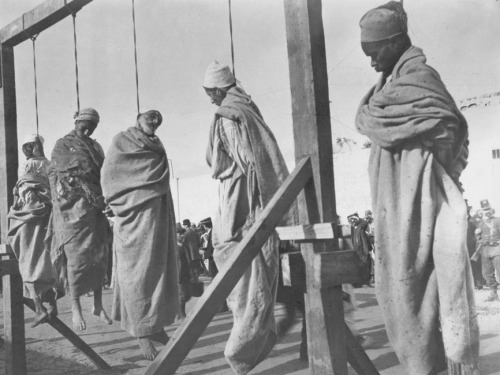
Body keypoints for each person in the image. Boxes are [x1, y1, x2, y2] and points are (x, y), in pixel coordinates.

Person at [355, 2, 479, 373]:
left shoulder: (420, 79)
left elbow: (450, 128)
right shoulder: (391, 84)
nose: (372, 61)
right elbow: (375, 118)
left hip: (422, 203)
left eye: (374, 51)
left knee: (425, 292)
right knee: (401, 293)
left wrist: (424, 167)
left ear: (395, 43)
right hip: (396, 209)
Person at [204, 61, 290, 374]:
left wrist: (250, 206)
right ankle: (252, 338)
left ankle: (243, 348)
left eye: (210, 93)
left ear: (215, 89)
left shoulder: (229, 114)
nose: (210, 99)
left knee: (234, 256)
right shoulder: (246, 107)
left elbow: (247, 160)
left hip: (239, 198)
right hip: (241, 195)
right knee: (236, 264)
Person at [101, 110, 179, 360]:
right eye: (150, 119)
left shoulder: (156, 144)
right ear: (137, 118)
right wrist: (119, 204)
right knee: (137, 272)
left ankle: (154, 327)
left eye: (158, 121)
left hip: (156, 214)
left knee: (157, 270)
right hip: (132, 216)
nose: (154, 123)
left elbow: (161, 180)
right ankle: (142, 334)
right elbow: (109, 176)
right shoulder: (121, 141)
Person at [49, 108, 112, 332]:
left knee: (99, 257)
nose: (88, 130)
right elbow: (56, 175)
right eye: (84, 125)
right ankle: (75, 307)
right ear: (76, 122)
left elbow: (104, 173)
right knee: (75, 260)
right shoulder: (62, 145)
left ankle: (97, 305)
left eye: (92, 127)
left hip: (95, 209)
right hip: (71, 211)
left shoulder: (96, 147)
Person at [7, 134, 61, 327]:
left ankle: (39, 308)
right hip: (46, 216)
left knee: (27, 260)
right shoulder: (48, 164)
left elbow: (23, 193)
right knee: (45, 261)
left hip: (31, 220)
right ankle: (50, 304)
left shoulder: (28, 167)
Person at [476, 199, 500, 301]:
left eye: (488, 209)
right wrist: (478, 236)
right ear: (481, 211)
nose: (487, 211)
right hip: (485, 249)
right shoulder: (480, 223)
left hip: (496, 248)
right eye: (484, 209)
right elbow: (478, 238)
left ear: (492, 209)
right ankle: (493, 294)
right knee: (487, 273)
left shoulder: (498, 220)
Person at [347, 213, 373, 287]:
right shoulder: (353, 228)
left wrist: (366, 250)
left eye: (352, 221)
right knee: (359, 266)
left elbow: (364, 224)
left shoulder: (361, 226)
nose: (350, 222)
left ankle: (365, 281)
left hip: (362, 249)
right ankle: (360, 282)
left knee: (365, 264)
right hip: (356, 250)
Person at [175, 225, 193, 323]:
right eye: (179, 233)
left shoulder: (184, 245)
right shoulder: (175, 247)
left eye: (182, 233)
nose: (182, 235)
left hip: (186, 273)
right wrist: (177, 277)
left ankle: (178, 313)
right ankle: (182, 315)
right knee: (183, 295)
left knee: (188, 294)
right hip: (180, 274)